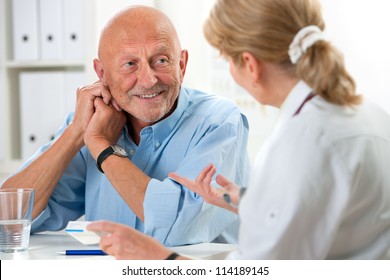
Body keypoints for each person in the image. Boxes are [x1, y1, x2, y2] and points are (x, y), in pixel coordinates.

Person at [87, 0, 390, 259]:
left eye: (226, 59)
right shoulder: (369, 114)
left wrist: (158, 256)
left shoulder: (300, 142)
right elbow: (329, 216)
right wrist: (251, 203)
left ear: (250, 64)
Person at [0, 6, 251, 246]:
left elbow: (178, 228)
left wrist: (102, 147)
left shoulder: (219, 122)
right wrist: (76, 133)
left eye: (161, 60)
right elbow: (8, 219)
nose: (149, 80)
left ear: (181, 65)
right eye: (130, 64)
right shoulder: (88, 124)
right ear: (102, 73)